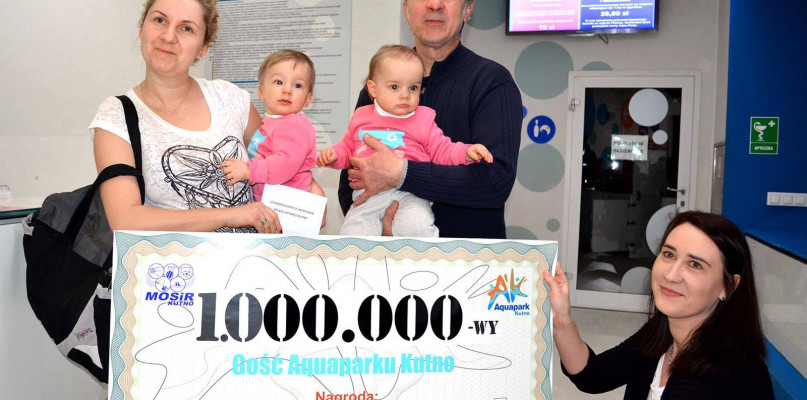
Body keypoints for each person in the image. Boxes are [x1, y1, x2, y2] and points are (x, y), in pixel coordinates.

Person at [91, 0, 323, 234]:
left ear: (203, 48)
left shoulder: (231, 98)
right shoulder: (116, 115)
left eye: (186, 28)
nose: (168, 36)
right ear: (142, 28)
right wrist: (231, 215)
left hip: (255, 254)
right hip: (176, 257)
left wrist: (310, 202)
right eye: (160, 20)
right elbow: (125, 219)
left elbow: (279, 161)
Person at [338, 0, 522, 239]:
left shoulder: (492, 81)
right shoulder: (378, 88)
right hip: (389, 256)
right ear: (406, 9)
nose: (435, 4)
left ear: (467, 9)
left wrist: (402, 173)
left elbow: (494, 183)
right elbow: (350, 180)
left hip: (467, 258)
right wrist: (382, 229)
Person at [543, 211, 774, 400]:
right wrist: (561, 317)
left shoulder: (729, 376)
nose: (671, 275)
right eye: (669, 255)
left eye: (695, 265)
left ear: (728, 286)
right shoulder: (661, 333)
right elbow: (593, 375)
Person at [318, 45, 492, 237]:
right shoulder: (361, 116)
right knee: (354, 235)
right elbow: (348, 147)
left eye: (413, 88)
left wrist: (466, 152)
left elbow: (443, 149)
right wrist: (334, 156)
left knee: (417, 228)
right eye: (394, 87)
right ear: (373, 89)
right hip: (366, 196)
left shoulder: (423, 119)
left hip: (411, 194)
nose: (405, 95)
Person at [220, 50, 317, 202]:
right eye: (279, 82)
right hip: (274, 202)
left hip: (287, 206)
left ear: (307, 99)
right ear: (261, 91)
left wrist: (249, 170)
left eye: (297, 85)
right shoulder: (275, 122)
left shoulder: (293, 126)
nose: (287, 90)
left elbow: (286, 164)